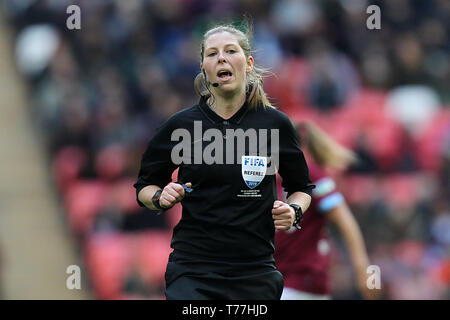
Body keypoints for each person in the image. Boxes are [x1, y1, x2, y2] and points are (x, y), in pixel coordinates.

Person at [133, 24, 315, 300]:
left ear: (249, 63)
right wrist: (160, 196)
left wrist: (293, 211)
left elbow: (301, 188)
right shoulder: (180, 126)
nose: (221, 58)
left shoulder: (275, 125)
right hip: (193, 270)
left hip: (255, 271)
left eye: (231, 51)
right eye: (212, 54)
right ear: (204, 68)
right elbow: (144, 187)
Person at [274, 121, 378, 300]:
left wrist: (364, 269)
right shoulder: (274, 180)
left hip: (302, 279)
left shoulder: (312, 175)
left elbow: (346, 221)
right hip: (279, 277)